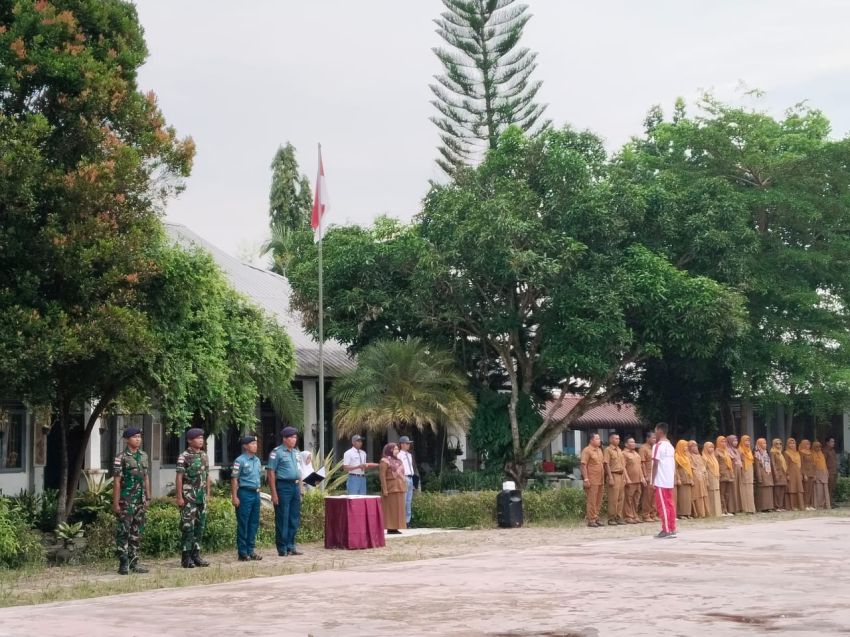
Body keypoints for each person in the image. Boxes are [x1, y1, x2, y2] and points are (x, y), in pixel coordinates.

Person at [112, 427, 151, 575]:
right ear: (127, 439)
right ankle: (123, 562)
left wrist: (148, 496)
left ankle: (134, 562)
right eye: (135, 437)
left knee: (136, 532)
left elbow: (146, 477)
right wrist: (116, 503)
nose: (138, 439)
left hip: (140, 500)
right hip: (126, 500)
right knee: (124, 531)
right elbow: (117, 481)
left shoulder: (143, 456)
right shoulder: (121, 457)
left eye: (139, 437)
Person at [175, 427, 211, 568]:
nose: (201, 440)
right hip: (189, 497)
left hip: (201, 497)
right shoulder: (183, 456)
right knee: (187, 527)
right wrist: (179, 497)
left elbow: (207, 476)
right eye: (198, 438)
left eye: (202, 438)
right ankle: (186, 557)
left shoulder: (204, 455)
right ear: (190, 440)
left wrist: (208, 493)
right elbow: (179, 477)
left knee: (200, 527)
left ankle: (196, 555)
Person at [267, 426, 303, 556]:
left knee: (294, 517)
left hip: (295, 487)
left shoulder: (296, 453)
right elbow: (270, 473)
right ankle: (282, 547)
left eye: (295, 437)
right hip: (283, 486)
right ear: (284, 439)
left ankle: (291, 545)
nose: (294, 440)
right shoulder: (277, 452)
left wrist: (301, 490)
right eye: (291, 437)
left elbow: (299, 472)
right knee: (283, 517)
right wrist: (274, 493)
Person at [231, 434, 263, 562]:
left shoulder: (257, 460)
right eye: (252, 444)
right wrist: (234, 496)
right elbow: (234, 479)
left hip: (256, 494)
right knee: (243, 523)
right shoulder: (240, 461)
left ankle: (251, 550)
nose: (255, 446)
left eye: (256, 444)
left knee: (254, 523)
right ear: (245, 446)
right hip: (244, 493)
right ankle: (243, 552)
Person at [651, 423, 677, 538]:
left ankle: (666, 529)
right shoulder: (670, 446)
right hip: (668, 480)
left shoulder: (658, 446)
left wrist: (652, 480)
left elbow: (655, 463)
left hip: (661, 480)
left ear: (660, 431)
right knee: (669, 504)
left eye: (655, 431)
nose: (654, 433)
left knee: (663, 505)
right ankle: (672, 528)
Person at [379, 443, 407, 534]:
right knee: (390, 509)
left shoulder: (399, 461)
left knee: (398, 509)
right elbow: (382, 476)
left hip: (400, 487)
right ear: (390, 450)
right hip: (391, 488)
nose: (397, 451)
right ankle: (390, 527)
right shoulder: (384, 461)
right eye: (395, 449)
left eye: (397, 449)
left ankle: (395, 527)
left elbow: (402, 474)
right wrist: (385, 489)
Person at [580, 433, 605, 527]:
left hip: (600, 479)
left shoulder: (599, 450)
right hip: (592, 479)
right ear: (591, 440)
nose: (599, 440)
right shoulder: (587, 450)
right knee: (592, 500)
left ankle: (596, 517)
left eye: (599, 438)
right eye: (597, 438)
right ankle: (591, 519)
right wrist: (586, 479)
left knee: (599, 500)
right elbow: (583, 465)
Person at [603, 434, 626, 525]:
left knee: (621, 498)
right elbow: (606, 464)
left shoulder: (620, 450)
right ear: (611, 439)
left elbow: (623, 465)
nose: (618, 440)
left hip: (621, 475)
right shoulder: (608, 450)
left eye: (619, 438)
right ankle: (611, 518)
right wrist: (610, 477)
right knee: (613, 498)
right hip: (613, 474)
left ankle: (619, 517)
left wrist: (624, 477)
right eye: (616, 438)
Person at [622, 437, 645, 524]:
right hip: (630, 480)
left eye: (634, 442)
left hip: (638, 480)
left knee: (636, 499)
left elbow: (639, 467)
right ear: (626, 444)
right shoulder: (624, 453)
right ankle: (628, 516)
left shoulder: (636, 454)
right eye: (631, 442)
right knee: (628, 499)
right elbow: (623, 467)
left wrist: (642, 477)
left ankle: (635, 514)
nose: (633, 444)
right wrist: (627, 478)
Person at [398, 436, 418, 527]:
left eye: (409, 443)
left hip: (410, 478)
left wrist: (413, 482)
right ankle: (402, 521)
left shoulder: (409, 455)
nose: (408, 445)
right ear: (402, 444)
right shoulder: (399, 455)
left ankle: (407, 521)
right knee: (404, 500)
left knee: (409, 501)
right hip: (404, 477)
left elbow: (411, 468)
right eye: (406, 443)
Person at [639, 432, 657, 523]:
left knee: (654, 495)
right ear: (647, 438)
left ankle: (653, 514)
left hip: (655, 474)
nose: (655, 439)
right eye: (653, 438)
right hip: (648, 474)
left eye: (655, 438)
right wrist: (645, 475)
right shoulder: (643, 448)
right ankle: (646, 515)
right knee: (647, 496)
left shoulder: (654, 448)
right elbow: (642, 463)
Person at [701, 441, 722, 517]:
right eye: (710, 447)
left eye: (713, 447)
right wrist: (706, 479)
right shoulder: (704, 457)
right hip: (709, 477)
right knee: (711, 494)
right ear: (706, 448)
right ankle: (712, 512)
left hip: (715, 477)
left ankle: (718, 512)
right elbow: (703, 469)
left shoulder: (713, 457)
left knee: (716, 493)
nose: (712, 449)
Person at [673, 440, 693, 520]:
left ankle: (687, 513)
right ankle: (681, 514)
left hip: (688, 479)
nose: (686, 448)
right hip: (681, 479)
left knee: (688, 498)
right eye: (685, 446)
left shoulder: (686, 456)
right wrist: (678, 478)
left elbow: (689, 469)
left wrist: (691, 478)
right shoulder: (676, 456)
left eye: (687, 446)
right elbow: (675, 469)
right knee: (682, 498)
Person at [783, 437, 805, 511]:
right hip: (791, 473)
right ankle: (793, 506)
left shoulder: (797, 453)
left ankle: (800, 506)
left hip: (798, 473)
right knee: (792, 489)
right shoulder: (786, 453)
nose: (792, 445)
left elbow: (801, 465)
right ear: (787, 445)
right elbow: (785, 464)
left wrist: (802, 474)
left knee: (799, 488)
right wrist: (787, 474)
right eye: (790, 443)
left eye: (793, 443)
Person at [753, 438, 774, 513]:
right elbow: (757, 467)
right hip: (762, 475)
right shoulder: (757, 454)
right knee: (762, 492)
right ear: (759, 444)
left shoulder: (766, 453)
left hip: (768, 474)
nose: (765, 445)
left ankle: (768, 506)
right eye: (763, 443)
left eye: (765, 443)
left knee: (768, 491)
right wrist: (759, 477)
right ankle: (762, 507)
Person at [688, 440, 708, 518]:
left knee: (703, 494)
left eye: (696, 445)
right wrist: (697, 473)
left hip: (701, 477)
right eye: (693, 446)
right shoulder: (689, 456)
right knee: (696, 495)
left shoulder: (699, 456)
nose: (695, 447)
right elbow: (691, 467)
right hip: (695, 477)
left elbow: (703, 466)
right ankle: (697, 512)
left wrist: (703, 472)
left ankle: (704, 512)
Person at [715, 436, 735, 516]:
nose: (724, 443)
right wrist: (719, 473)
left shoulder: (726, 451)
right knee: (722, 493)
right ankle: (723, 510)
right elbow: (716, 464)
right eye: (722, 442)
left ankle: (727, 509)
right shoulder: (716, 452)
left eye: (725, 442)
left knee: (727, 493)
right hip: (722, 475)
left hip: (728, 475)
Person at [726, 434, 744, 514]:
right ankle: (732, 508)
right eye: (734, 441)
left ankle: (738, 507)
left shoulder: (736, 450)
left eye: (736, 441)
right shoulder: (727, 450)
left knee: (738, 487)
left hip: (738, 471)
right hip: (732, 471)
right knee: (733, 489)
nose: (735, 442)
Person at [739, 435, 756, 514]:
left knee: (750, 490)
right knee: (745, 489)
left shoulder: (749, 450)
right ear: (742, 441)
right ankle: (746, 508)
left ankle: (751, 508)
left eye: (749, 441)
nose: (748, 443)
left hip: (750, 471)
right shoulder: (740, 450)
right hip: (744, 472)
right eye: (746, 441)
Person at [811, 441, 831, 510]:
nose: (818, 448)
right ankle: (818, 505)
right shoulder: (812, 454)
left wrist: (827, 472)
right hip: (817, 474)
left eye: (819, 446)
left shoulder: (821, 454)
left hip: (824, 473)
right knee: (818, 490)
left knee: (825, 489)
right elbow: (812, 466)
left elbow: (824, 464)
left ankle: (825, 505)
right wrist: (814, 475)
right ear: (813, 447)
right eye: (816, 446)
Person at [770, 439, 787, 512]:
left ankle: (780, 506)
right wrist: (776, 474)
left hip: (782, 473)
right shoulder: (773, 452)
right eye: (777, 444)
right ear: (774, 444)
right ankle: (776, 506)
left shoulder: (780, 453)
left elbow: (784, 465)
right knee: (777, 490)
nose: (779, 445)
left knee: (782, 490)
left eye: (780, 444)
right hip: (777, 473)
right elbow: (773, 464)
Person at [799, 439, 816, 511]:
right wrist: (804, 474)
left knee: (811, 490)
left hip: (812, 473)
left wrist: (814, 474)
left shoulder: (811, 452)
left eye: (809, 444)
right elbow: (801, 464)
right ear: (803, 445)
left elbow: (813, 464)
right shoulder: (801, 453)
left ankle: (810, 504)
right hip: (806, 473)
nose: (808, 446)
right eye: (806, 444)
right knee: (806, 490)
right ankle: (805, 504)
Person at [824, 437, 839, 507]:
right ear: (827, 443)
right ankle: (828, 503)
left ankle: (832, 502)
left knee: (833, 487)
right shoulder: (825, 451)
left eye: (833, 442)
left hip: (834, 471)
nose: (833, 443)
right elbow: (824, 462)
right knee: (829, 487)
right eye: (831, 442)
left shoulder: (833, 451)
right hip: (829, 472)